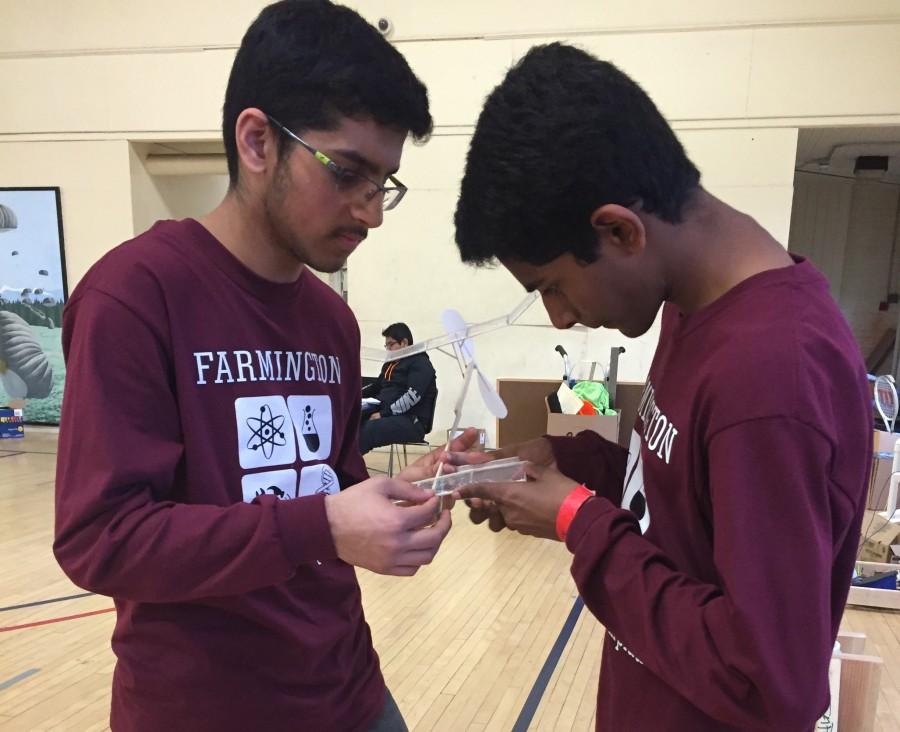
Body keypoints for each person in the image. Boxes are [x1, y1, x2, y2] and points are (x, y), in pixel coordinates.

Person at [52, 3, 473, 730]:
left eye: (385, 185)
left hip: (349, 687)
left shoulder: (332, 321)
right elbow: (101, 540)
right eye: (348, 173)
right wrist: (321, 526)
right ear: (256, 142)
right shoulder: (134, 296)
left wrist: (389, 492)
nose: (371, 212)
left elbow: (324, 489)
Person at [452, 43, 871, 730]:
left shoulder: (772, 374)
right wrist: (570, 467)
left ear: (620, 230)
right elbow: (689, 504)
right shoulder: (692, 304)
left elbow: (770, 684)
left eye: (551, 286)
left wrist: (577, 522)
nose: (560, 316)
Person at [359, 322, 438, 454]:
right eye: (386, 345)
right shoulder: (390, 364)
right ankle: (344, 466)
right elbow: (376, 387)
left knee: (369, 429)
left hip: (412, 421)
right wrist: (354, 395)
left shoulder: (420, 363)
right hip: (388, 414)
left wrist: (383, 414)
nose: (388, 349)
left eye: (391, 344)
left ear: (404, 343)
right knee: (352, 423)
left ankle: (352, 469)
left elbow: (412, 396)